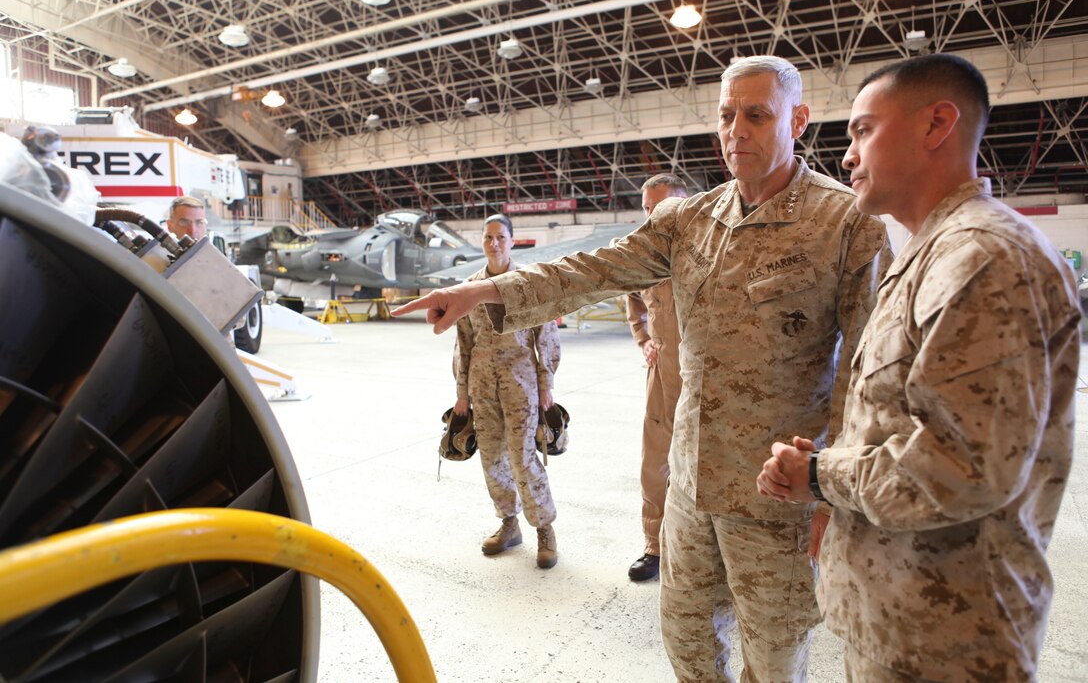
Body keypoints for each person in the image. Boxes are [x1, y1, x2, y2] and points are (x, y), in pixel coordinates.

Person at [396, 56, 892, 680]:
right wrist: (484, 293)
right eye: (727, 114)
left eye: (757, 115)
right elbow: (591, 269)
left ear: (798, 119)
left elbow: (866, 372)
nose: (736, 129)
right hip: (690, 487)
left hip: (778, 499)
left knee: (772, 659)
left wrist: (832, 493)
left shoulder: (846, 223)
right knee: (685, 643)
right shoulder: (687, 221)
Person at [756, 54, 1081, 682]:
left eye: (862, 130)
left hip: (949, 640)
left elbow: (962, 469)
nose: (847, 155)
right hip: (900, 618)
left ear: (936, 126)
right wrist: (835, 502)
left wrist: (821, 476)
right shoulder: (932, 254)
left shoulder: (984, 260)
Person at [453, 214, 562, 569]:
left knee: (522, 457)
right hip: (481, 385)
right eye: (488, 237)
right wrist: (461, 393)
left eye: (500, 237)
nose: (494, 243)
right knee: (492, 458)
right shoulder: (468, 288)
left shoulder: (526, 284)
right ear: (482, 242)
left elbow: (544, 336)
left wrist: (546, 385)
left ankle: (544, 528)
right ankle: (509, 524)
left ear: (512, 241)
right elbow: (463, 343)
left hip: (521, 383)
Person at [625, 173, 688, 583]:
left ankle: (708, 553)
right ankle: (655, 545)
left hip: (710, 371)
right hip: (662, 373)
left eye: (659, 207)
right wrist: (643, 337)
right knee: (655, 463)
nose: (650, 216)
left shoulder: (708, 248)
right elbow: (630, 294)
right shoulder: (643, 254)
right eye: (646, 208)